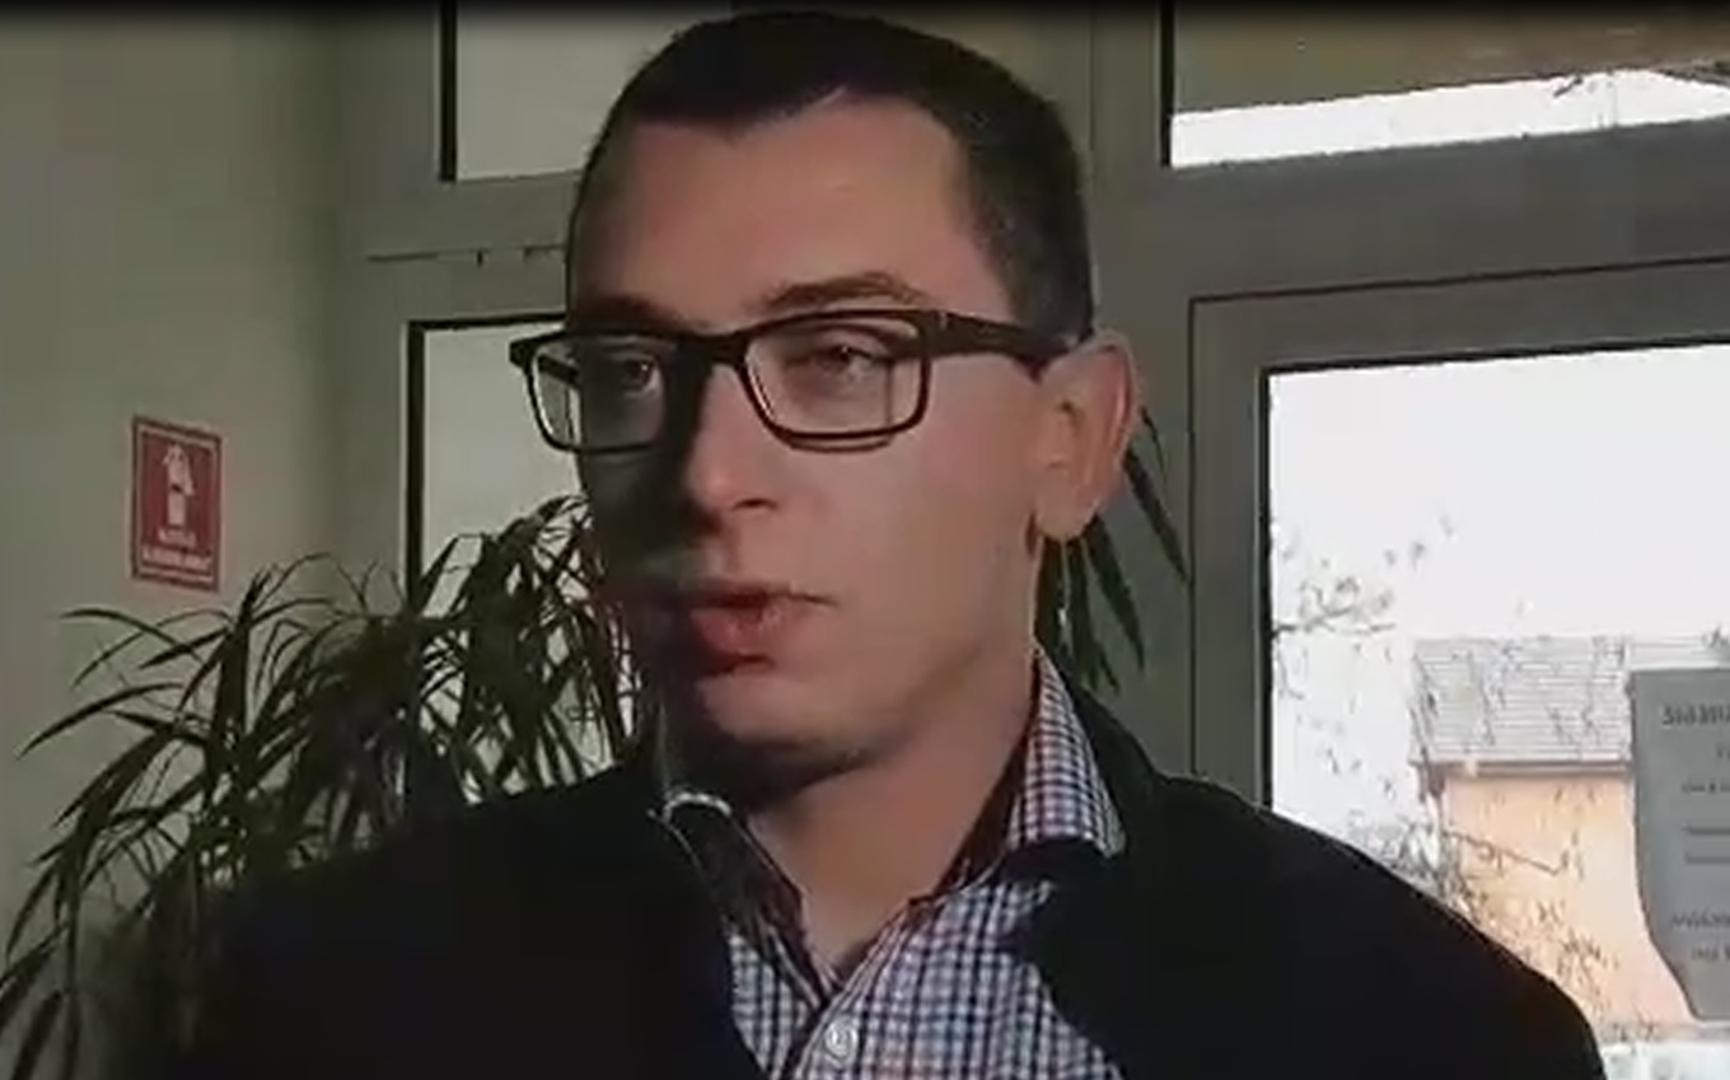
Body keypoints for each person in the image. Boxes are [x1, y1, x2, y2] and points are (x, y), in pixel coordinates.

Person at [187, 11, 1604, 1078]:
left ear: (1069, 438)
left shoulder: (1423, 1033)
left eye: (841, 358)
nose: (707, 473)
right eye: (629, 370)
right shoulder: (328, 1000)